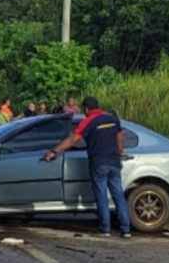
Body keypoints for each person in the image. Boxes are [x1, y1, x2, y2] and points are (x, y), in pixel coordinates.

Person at [44, 96, 131, 238]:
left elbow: (73, 139)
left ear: (86, 109)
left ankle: (105, 229)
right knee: (118, 195)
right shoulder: (112, 118)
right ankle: (126, 230)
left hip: (99, 163)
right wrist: (119, 151)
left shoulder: (88, 121)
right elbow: (120, 136)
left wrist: (54, 151)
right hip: (114, 162)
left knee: (101, 195)